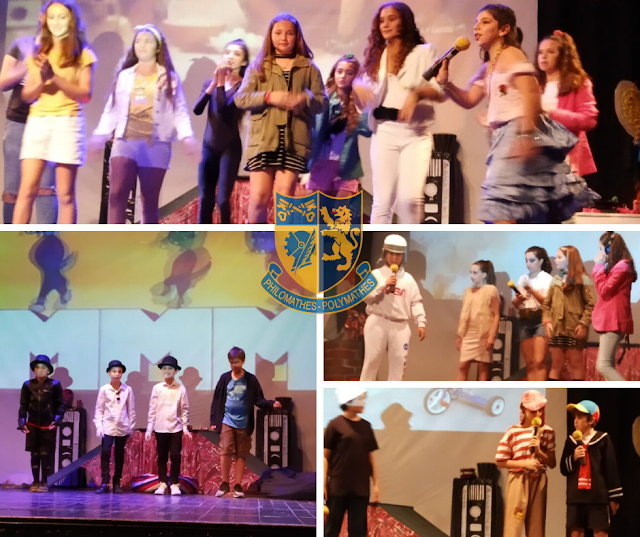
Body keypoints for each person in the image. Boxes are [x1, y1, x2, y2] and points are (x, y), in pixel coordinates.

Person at [435, 4, 598, 223]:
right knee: (523, 210)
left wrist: (525, 135)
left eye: (485, 22)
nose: (477, 27)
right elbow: (469, 99)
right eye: (476, 22)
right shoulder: (489, 65)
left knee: (502, 208)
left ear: (503, 29)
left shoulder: (511, 55)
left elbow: (531, 93)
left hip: (516, 132)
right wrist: (446, 84)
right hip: (503, 137)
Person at [91, 24, 197, 224]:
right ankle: (114, 237)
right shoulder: (125, 76)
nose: (142, 45)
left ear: (158, 47)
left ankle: (146, 236)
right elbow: (112, 109)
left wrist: (187, 137)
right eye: (138, 41)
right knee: (116, 194)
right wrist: (99, 136)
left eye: (148, 41)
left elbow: (179, 111)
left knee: (149, 200)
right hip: (125, 141)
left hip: (156, 144)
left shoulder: (169, 77)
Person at [354, 2, 445, 224]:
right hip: (384, 132)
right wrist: (357, 86)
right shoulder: (377, 56)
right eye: (381, 20)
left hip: (415, 135)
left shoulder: (424, 52)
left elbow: (440, 92)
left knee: (410, 200)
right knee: (382, 201)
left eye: (392, 19)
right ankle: (380, 242)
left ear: (404, 21)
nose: (385, 24)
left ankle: (409, 240)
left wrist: (417, 94)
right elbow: (363, 99)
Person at [234, 12, 327, 223]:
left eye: (289, 33)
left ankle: (280, 242)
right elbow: (241, 99)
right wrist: (269, 96)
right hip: (263, 141)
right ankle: (256, 239)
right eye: (278, 33)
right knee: (259, 198)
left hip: (295, 141)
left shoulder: (309, 68)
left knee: (285, 197)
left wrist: (305, 98)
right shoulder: (258, 66)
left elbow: (322, 102)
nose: (283, 38)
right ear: (270, 35)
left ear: (297, 36)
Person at [13, 0, 96, 224]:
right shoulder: (38, 52)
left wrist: (54, 77)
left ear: (71, 20)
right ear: (45, 21)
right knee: (27, 190)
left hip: (67, 123)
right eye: (51, 17)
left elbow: (85, 95)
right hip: (38, 122)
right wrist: (42, 78)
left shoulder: (83, 53)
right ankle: (15, 240)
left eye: (62, 17)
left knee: (65, 194)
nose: (56, 22)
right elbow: (28, 95)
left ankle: (64, 239)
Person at [0, 7, 57, 224]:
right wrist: (28, 65)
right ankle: (11, 237)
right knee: (13, 188)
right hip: (18, 122)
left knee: (45, 188)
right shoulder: (21, 44)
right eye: (50, 16)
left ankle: (46, 237)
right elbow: (3, 82)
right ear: (41, 18)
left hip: (48, 122)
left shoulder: (65, 50)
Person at [210, 347, 282, 498]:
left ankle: (237, 486)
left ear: (243, 361)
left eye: (236, 362)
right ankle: (224, 483)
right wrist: (214, 420)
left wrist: (270, 404)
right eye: (231, 362)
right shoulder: (224, 378)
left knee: (241, 454)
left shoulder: (250, 379)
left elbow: (258, 399)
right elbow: (217, 400)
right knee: (225, 451)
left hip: (244, 422)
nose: (234, 365)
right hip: (227, 420)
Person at [193, 39, 248, 224]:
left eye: (237, 54)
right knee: (205, 199)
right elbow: (197, 109)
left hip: (229, 149)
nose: (230, 57)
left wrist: (221, 82)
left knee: (223, 200)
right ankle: (203, 236)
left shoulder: (244, 87)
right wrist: (215, 82)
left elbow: (224, 107)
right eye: (227, 52)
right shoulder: (212, 83)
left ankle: (226, 235)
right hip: (208, 146)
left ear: (244, 61)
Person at [359, 234, 426, 381]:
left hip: (400, 325)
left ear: (403, 256)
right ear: (385, 253)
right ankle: (363, 390)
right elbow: (365, 297)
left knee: (399, 365)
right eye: (391, 253)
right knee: (372, 361)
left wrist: (421, 322)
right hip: (377, 321)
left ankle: (395, 390)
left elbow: (416, 302)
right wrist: (384, 285)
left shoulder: (408, 279)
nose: (395, 257)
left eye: (398, 254)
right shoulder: (376, 275)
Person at [305, 54, 371, 198]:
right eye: (339, 71)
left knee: (340, 209)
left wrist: (362, 104)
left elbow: (367, 130)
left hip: (346, 165)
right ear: (333, 73)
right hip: (322, 160)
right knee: (316, 208)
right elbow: (314, 128)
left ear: (356, 77)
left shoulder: (357, 103)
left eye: (349, 73)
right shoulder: (324, 99)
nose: (343, 76)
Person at [536, 30, 598, 177]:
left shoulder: (578, 83)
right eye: (540, 52)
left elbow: (590, 119)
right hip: (539, 155)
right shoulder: (535, 85)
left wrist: (552, 114)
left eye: (550, 52)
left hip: (567, 155)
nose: (543, 56)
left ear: (563, 56)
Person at [496, 390, 556, 537]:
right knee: (513, 524)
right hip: (518, 479)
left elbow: (552, 462)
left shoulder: (547, 431)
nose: (537, 414)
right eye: (533, 411)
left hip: (538, 479)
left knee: (536, 526)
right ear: (523, 409)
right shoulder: (513, 432)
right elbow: (500, 460)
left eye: (540, 410)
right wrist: (524, 464)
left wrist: (539, 451)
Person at [561, 400, 622, 537]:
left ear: (591, 420)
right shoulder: (571, 441)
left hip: (597, 497)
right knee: (576, 532)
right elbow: (563, 468)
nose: (575, 421)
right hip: (576, 497)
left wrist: (614, 498)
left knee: (600, 532)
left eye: (580, 417)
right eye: (575, 417)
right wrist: (573, 458)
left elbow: (611, 469)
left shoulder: (603, 439)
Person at [324, 386, 379, 537]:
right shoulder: (334, 425)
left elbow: (370, 458)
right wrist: (323, 484)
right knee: (331, 530)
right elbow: (325, 456)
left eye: (364, 398)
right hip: (337, 487)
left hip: (360, 489)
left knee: (358, 532)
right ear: (348, 401)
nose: (363, 402)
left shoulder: (366, 426)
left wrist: (376, 485)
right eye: (360, 399)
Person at [543, 246, 595, 381]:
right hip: (557, 328)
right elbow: (547, 304)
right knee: (556, 365)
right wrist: (547, 321)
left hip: (575, 328)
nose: (555, 260)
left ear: (569, 259)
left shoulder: (583, 279)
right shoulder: (555, 279)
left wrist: (583, 323)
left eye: (559, 257)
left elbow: (591, 304)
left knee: (576, 364)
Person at [592, 232, 636, 381]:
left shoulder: (622, 266)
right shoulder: (619, 266)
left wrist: (598, 266)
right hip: (609, 321)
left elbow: (604, 290)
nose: (600, 253)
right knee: (607, 366)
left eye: (601, 249)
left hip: (613, 321)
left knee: (603, 366)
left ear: (609, 249)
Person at [145, 355, 192, 496]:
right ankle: (163, 483)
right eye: (164, 368)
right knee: (162, 457)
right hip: (160, 427)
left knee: (176, 455)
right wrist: (149, 428)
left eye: (170, 368)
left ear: (175, 371)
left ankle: (175, 483)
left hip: (175, 427)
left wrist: (185, 427)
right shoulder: (157, 388)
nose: (167, 371)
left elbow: (184, 410)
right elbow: (152, 408)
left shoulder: (181, 389)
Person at [17, 355, 64, 493]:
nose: (41, 370)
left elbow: (60, 406)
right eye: (38, 367)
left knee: (45, 453)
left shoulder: (55, 384)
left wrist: (57, 420)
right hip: (32, 423)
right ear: (34, 370)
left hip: (48, 424)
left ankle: (44, 482)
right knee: (35, 453)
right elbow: (23, 405)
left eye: (44, 367)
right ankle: (35, 481)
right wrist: (22, 422)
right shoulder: (28, 385)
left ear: (48, 370)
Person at [93, 360, 136, 494]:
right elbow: (99, 409)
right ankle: (105, 482)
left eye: (119, 372)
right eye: (114, 371)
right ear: (109, 373)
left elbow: (131, 410)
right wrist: (99, 426)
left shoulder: (127, 389)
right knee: (105, 453)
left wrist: (131, 427)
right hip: (108, 426)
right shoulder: (104, 389)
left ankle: (117, 483)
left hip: (122, 427)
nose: (117, 374)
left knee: (119, 455)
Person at [512, 247, 553, 381]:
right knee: (529, 363)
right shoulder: (522, 278)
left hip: (541, 319)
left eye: (532, 260)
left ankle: (540, 390)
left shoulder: (547, 279)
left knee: (539, 361)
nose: (528, 264)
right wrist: (518, 299)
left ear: (540, 261)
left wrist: (531, 289)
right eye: (526, 260)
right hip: (524, 319)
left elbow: (546, 302)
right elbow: (516, 304)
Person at [456, 260, 500, 381]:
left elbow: (496, 314)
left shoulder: (491, 290)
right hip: (468, 333)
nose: (472, 275)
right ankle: (458, 389)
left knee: (483, 367)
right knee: (462, 366)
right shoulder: (467, 291)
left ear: (484, 275)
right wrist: (459, 335)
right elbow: (464, 314)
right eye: (471, 272)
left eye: (475, 273)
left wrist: (492, 336)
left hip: (483, 334)